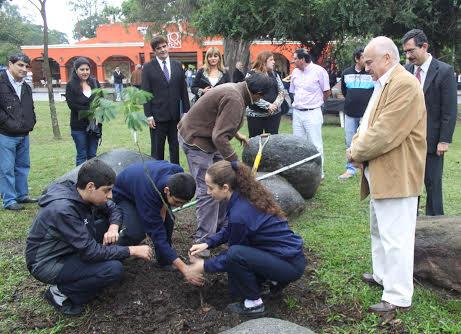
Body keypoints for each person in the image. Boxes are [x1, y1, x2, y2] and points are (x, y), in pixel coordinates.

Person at [348, 36, 426, 315]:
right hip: (381, 171)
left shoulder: (404, 84)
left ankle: (398, 296)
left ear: (387, 58)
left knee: (396, 238)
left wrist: (354, 152)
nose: (365, 66)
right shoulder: (384, 83)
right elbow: (368, 123)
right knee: (379, 230)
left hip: (398, 173)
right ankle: (383, 277)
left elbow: (384, 133)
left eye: (369, 61)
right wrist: (358, 144)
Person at [25, 159, 153, 316]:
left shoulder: (83, 194)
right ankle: (60, 292)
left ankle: (86, 275)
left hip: (70, 248)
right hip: (49, 261)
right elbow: (91, 252)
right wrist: (131, 250)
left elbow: (114, 209)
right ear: (91, 186)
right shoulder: (64, 210)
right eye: (107, 191)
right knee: (113, 269)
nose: (110, 196)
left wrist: (113, 227)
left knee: (106, 230)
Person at [188, 160, 306, 315]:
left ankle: (253, 304)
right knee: (240, 256)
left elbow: (234, 256)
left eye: (210, 188)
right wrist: (208, 243)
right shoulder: (245, 197)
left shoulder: (240, 213)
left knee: (236, 255)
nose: (208, 192)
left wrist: (204, 265)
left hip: (288, 265)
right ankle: (272, 281)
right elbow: (231, 229)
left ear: (225, 188)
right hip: (290, 257)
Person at [178, 73, 272, 252]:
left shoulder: (238, 89)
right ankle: (202, 243)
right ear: (258, 93)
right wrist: (237, 164)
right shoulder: (235, 98)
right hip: (196, 140)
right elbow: (220, 136)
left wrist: (236, 134)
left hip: (207, 138)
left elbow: (219, 117)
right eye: (261, 97)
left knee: (225, 183)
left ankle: (221, 232)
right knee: (209, 190)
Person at [112, 160, 204, 285]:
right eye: (177, 202)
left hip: (143, 185)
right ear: (167, 190)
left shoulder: (178, 173)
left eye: (183, 203)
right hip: (125, 195)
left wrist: (164, 208)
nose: (180, 207)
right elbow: (157, 235)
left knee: (169, 220)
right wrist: (185, 269)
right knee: (135, 232)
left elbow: (163, 203)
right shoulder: (148, 194)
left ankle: (164, 260)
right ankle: (113, 254)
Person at [402, 29, 457, 216]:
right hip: (408, 140)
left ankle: (436, 224)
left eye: (411, 51)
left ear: (424, 46)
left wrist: (444, 140)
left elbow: (449, 110)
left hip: (433, 140)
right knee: (410, 183)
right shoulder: (406, 71)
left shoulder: (444, 71)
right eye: (406, 52)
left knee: (432, 184)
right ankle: (411, 220)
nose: (408, 56)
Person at [142, 35, 190, 163]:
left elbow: (183, 90)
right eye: (159, 48)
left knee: (175, 148)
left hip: (175, 116)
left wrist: (186, 112)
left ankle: (175, 175)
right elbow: (145, 93)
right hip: (157, 117)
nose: (162, 50)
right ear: (154, 51)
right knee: (157, 150)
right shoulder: (148, 67)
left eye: (164, 46)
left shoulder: (177, 65)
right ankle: (158, 176)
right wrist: (148, 115)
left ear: (168, 46)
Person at [0, 53, 37, 211]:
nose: (24, 69)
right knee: (6, 168)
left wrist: (31, 121)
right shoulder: (1, 83)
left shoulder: (26, 86)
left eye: (26, 66)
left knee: (23, 166)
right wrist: (8, 123)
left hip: (24, 133)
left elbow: (29, 108)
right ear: (10, 64)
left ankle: (22, 195)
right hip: (6, 134)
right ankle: (9, 200)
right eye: (20, 65)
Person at [290, 49, 331, 179]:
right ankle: (300, 172)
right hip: (297, 113)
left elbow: (326, 91)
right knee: (298, 144)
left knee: (315, 144)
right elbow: (293, 91)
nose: (293, 61)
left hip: (312, 112)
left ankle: (319, 173)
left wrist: (317, 103)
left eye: (295, 58)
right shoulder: (295, 72)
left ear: (303, 59)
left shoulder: (319, 71)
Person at [338, 47, 374, 180]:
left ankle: (367, 169)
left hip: (367, 114)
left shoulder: (371, 73)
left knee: (367, 141)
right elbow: (344, 91)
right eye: (364, 57)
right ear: (357, 59)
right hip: (350, 113)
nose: (366, 60)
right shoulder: (346, 73)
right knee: (349, 141)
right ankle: (350, 169)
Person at [65, 57, 102, 166]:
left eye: (87, 69)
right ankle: (80, 180)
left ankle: (93, 179)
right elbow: (72, 105)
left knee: (92, 154)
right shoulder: (71, 85)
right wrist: (91, 111)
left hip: (94, 126)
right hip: (79, 126)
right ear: (76, 70)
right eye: (82, 69)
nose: (85, 72)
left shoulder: (95, 83)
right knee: (82, 155)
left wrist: (100, 111)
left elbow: (101, 99)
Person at [246, 51, 285, 137]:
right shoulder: (251, 75)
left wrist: (275, 105)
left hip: (273, 115)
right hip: (255, 115)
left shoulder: (274, 74)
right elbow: (249, 94)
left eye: (273, 59)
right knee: (255, 142)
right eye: (271, 60)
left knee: (272, 142)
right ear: (263, 61)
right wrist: (267, 105)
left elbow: (282, 91)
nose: (274, 62)